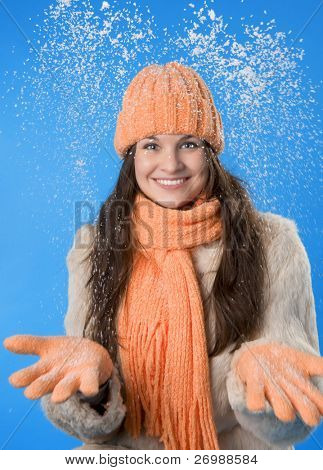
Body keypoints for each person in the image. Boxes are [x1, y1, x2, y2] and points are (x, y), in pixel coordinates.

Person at [3, 61, 323, 451]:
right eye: (151, 145)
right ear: (131, 156)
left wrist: (261, 383)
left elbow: (295, 411)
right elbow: (94, 427)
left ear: (210, 152)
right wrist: (94, 388)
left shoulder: (273, 244)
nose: (170, 164)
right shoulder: (95, 247)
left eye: (188, 143)